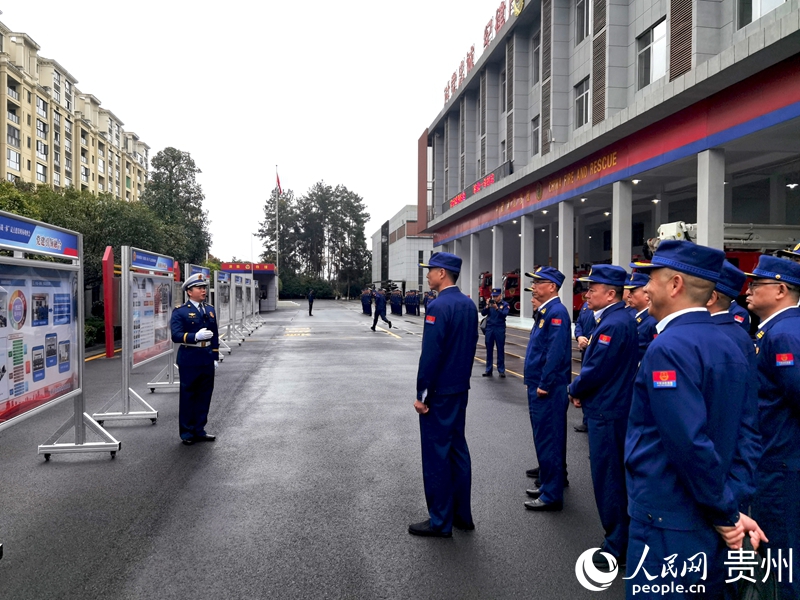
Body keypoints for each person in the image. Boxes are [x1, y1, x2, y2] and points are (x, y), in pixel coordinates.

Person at [625, 241, 764, 597]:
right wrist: (733, 503)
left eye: (651, 279)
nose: (644, 288)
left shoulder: (669, 347)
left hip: (670, 519)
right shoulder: (732, 342)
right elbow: (749, 432)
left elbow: (687, 442)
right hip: (714, 513)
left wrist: (726, 514)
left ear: (675, 285)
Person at [568, 265, 638, 565]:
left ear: (611, 294)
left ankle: (616, 546)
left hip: (608, 411)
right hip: (611, 407)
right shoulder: (616, 319)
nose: (587, 294)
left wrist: (574, 389)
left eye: (592, 289)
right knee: (613, 476)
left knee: (608, 478)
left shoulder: (613, 324)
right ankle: (620, 538)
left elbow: (596, 369)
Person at [409, 252, 478, 538]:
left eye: (431, 270)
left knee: (436, 455)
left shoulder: (438, 306)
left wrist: (422, 394)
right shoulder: (469, 305)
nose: (427, 275)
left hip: (439, 393)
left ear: (442, 273)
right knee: (458, 451)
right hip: (460, 389)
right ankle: (462, 515)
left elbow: (431, 356)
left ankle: (440, 521)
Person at [745, 254, 800, 599]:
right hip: (776, 456)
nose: (748, 290)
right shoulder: (776, 330)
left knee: (782, 552)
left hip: (781, 459)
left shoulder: (784, 335)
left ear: (780, 290)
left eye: (757, 284)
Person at [521, 267, 572, 512]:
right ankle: (548, 484)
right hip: (539, 383)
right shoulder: (547, 311)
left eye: (539, 282)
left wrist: (544, 383)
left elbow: (555, 352)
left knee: (549, 439)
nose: (534, 287)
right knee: (545, 438)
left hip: (547, 388)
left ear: (552, 287)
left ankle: (551, 494)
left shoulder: (556, 312)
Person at [170, 273, 220, 446]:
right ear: (189, 292)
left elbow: (215, 334)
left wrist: (215, 355)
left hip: (206, 357)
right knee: (188, 395)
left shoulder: (210, 310)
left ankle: (200, 429)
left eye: (204, 287)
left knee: (205, 395)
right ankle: (187, 432)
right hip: (190, 357)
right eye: (199, 288)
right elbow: (176, 335)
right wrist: (194, 336)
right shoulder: (180, 311)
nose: (203, 290)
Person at [573, 291, 595, 433]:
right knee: (585, 379)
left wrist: (589, 340)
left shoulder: (602, 309)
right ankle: (586, 419)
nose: (587, 294)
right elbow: (579, 323)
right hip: (585, 349)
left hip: (593, 348)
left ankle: (591, 420)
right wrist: (579, 336)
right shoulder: (586, 306)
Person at [624, 272, 658, 362]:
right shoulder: (635, 317)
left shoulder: (653, 321)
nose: (628, 295)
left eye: (633, 291)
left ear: (647, 294)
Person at [481, 288, 510, 378]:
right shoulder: (490, 304)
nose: (494, 298)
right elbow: (483, 313)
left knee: (500, 349)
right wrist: (487, 306)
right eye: (493, 296)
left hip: (499, 328)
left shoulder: (505, 304)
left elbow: (504, 315)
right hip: (490, 328)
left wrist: (497, 308)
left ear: (500, 296)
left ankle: (501, 370)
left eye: (496, 296)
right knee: (489, 349)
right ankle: (488, 369)